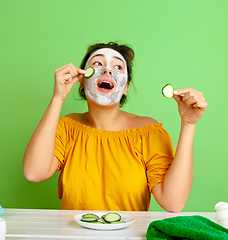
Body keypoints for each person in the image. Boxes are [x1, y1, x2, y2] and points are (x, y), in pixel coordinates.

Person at [23, 42, 207, 212]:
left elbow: (173, 203)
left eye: (118, 66)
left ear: (125, 87)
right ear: (81, 81)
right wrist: (57, 98)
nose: (107, 70)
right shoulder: (68, 127)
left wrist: (188, 124)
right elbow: (33, 172)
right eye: (97, 63)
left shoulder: (149, 133)